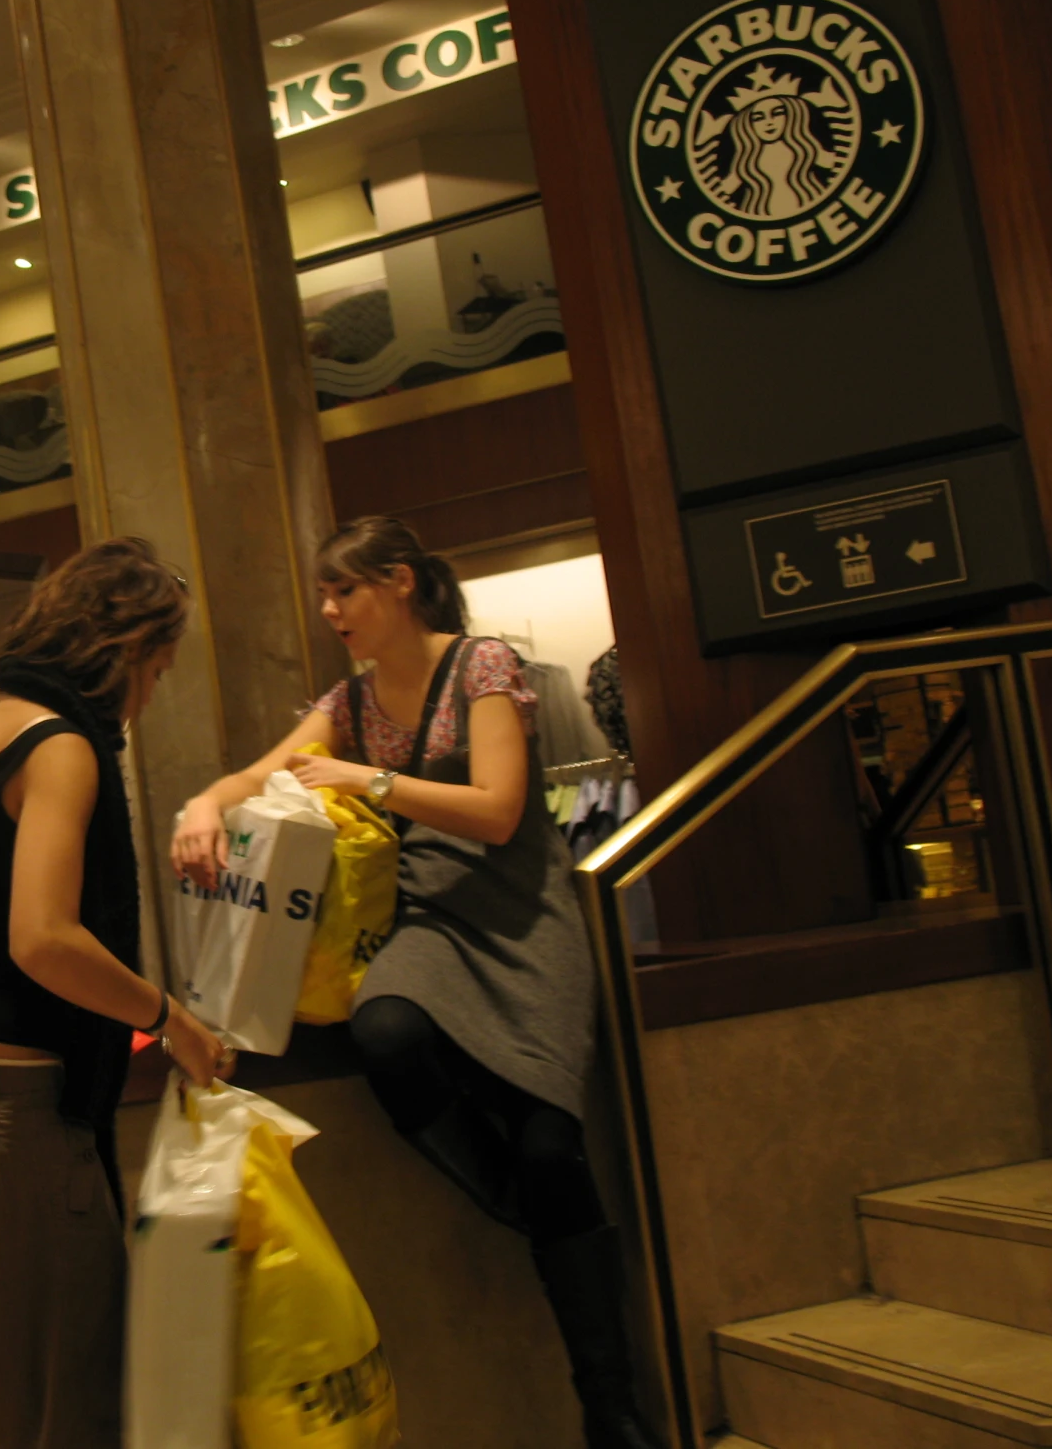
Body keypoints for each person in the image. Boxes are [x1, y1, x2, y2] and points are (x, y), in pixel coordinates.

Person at [172, 516, 661, 1449]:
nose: (330, 610)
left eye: (344, 590)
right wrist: (202, 806)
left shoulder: (482, 668)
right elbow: (258, 776)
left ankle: (612, 1404)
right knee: (389, 1031)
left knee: (555, 1144)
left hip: (524, 916)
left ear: (399, 583)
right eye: (325, 593)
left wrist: (370, 783)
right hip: (427, 920)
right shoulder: (347, 699)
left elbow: (500, 809)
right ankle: (523, 1206)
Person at [0, 537, 231, 1449]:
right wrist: (170, 1018)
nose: (149, 697)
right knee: (69, 1407)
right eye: (158, 670)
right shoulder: (63, 746)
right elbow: (44, 939)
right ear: (126, 651)